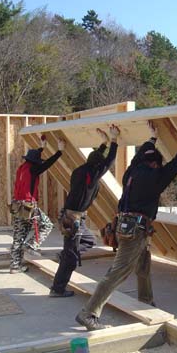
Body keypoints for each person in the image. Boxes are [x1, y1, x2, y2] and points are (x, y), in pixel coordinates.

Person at [75, 121, 177, 330]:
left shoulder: (131, 172)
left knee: (142, 264)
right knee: (118, 271)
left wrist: (152, 137)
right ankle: (89, 313)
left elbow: (141, 156)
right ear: (155, 164)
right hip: (135, 230)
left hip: (128, 226)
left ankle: (145, 301)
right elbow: (173, 169)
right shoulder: (153, 177)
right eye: (157, 164)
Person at [49, 125, 120, 297]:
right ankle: (58, 288)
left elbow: (97, 159)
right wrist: (114, 140)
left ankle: (66, 254)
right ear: (96, 165)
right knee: (71, 257)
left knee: (88, 240)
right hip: (73, 218)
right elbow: (108, 161)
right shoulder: (92, 173)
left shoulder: (79, 171)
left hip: (70, 215)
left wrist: (103, 144)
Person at [9, 136, 65, 274]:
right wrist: (59, 152)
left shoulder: (22, 168)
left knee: (18, 235)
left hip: (16, 205)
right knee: (47, 225)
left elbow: (36, 159)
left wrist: (42, 147)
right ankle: (31, 245)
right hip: (28, 205)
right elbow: (47, 164)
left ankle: (15, 266)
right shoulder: (34, 170)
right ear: (35, 162)